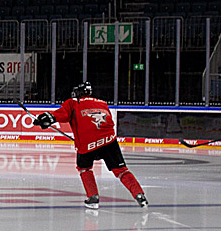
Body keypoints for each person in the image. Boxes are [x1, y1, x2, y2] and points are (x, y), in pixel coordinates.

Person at [33, 81, 148, 209]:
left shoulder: (73, 102)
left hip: (87, 143)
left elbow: (60, 115)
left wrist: (44, 119)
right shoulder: (102, 103)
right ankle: (139, 195)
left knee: (84, 168)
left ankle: (93, 198)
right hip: (109, 140)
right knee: (121, 170)